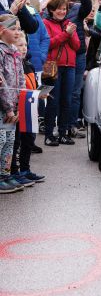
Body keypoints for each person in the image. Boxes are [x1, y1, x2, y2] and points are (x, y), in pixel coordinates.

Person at [52, 0, 93, 140]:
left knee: (75, 93)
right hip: (58, 57)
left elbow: (88, 6)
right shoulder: (50, 13)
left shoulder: (77, 8)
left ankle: (71, 126)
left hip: (78, 55)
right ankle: (59, 127)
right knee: (59, 93)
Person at [42, 0, 80, 146]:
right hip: (53, 66)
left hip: (69, 66)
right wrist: (66, 33)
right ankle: (49, 135)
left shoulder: (69, 24)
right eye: (59, 9)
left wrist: (69, 32)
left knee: (66, 101)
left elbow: (76, 46)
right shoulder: (45, 23)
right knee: (53, 101)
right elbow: (49, 43)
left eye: (64, 9)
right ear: (52, 10)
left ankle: (63, 133)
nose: (62, 12)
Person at [12, 32, 45, 184]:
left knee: (29, 140)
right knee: (16, 141)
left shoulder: (29, 64)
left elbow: (33, 86)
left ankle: (25, 169)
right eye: (20, 45)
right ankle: (14, 172)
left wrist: (41, 92)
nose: (24, 48)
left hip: (30, 107)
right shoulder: (14, 65)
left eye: (25, 45)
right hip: (19, 108)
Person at [0, 15, 26, 193]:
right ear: (2, 30)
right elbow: (2, 83)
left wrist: (19, 105)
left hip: (13, 106)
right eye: (13, 29)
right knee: (1, 140)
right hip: (3, 106)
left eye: (19, 28)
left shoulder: (15, 52)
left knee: (10, 141)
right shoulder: (1, 52)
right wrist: (9, 108)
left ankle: (5, 174)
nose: (18, 32)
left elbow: (21, 79)